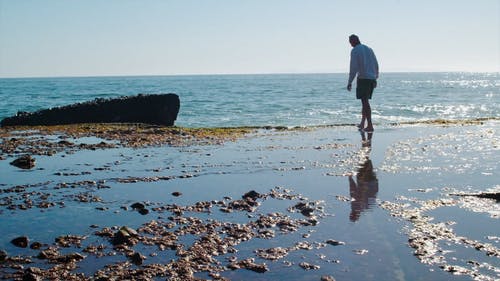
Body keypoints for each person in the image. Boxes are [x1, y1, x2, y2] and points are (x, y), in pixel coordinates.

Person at [347, 34, 379, 132]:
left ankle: (370, 125)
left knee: (365, 102)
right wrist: (375, 77)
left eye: (350, 42)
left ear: (352, 42)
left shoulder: (355, 50)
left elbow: (353, 67)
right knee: (364, 102)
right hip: (371, 78)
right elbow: (376, 63)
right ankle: (362, 123)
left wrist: (350, 82)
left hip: (363, 78)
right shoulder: (369, 49)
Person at [348, 131, 378, 221]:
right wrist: (350, 179)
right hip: (366, 181)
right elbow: (354, 192)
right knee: (364, 158)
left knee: (365, 158)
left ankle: (367, 138)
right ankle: (366, 138)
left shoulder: (364, 207)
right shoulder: (359, 206)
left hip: (372, 182)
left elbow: (355, 192)